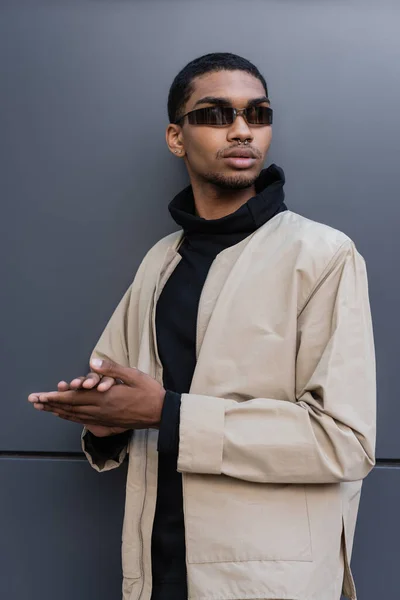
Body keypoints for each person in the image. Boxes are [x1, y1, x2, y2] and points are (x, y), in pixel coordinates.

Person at [28, 52, 376, 600]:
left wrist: (166, 413)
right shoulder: (161, 261)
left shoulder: (322, 255)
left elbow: (345, 442)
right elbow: (121, 389)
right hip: (158, 569)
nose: (241, 130)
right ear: (176, 136)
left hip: (269, 584)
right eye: (216, 114)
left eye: (257, 114)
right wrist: (102, 419)